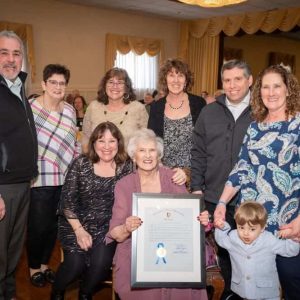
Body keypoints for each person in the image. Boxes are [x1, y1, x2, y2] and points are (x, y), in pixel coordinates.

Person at [214, 64, 300, 300]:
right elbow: (241, 169)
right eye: (265, 87)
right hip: (253, 224)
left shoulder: (298, 126)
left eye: (277, 86)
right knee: (253, 286)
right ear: (258, 91)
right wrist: (222, 203)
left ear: (288, 89)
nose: (271, 92)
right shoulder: (254, 127)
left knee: (292, 281)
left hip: (288, 225)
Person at [106, 128, 208, 300]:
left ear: (159, 155)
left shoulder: (173, 178)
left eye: (152, 150)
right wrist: (126, 227)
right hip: (137, 250)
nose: (147, 156)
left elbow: (189, 219)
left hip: (175, 246)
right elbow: (116, 233)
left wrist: (201, 219)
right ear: (133, 156)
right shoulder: (124, 185)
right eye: (142, 150)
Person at [191, 59, 253, 300]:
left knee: (250, 251)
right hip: (215, 196)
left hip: (251, 200)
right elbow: (198, 152)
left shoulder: (262, 112)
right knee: (225, 250)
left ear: (250, 81)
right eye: (227, 80)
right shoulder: (209, 112)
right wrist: (196, 187)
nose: (232, 85)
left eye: (238, 79)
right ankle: (228, 293)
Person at [51, 122, 133, 300]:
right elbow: (67, 202)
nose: (106, 146)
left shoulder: (126, 166)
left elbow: (148, 173)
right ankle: (57, 291)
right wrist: (79, 231)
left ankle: (85, 292)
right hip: (76, 223)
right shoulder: (81, 163)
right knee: (75, 264)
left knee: (101, 264)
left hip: (108, 225)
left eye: (112, 141)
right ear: (94, 143)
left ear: (118, 143)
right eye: (101, 140)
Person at [26, 64, 77, 288]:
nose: (58, 87)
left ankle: (46, 265)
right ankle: (34, 267)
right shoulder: (30, 108)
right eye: (53, 82)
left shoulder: (69, 110)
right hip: (39, 178)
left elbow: (72, 143)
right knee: (38, 226)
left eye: (62, 83)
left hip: (63, 177)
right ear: (44, 84)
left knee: (54, 226)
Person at [0, 30, 38, 300]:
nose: (11, 59)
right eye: (4, 52)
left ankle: (9, 294)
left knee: (13, 251)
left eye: (16, 53)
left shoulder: (18, 86)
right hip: (3, 188)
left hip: (23, 183)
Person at [215, 201, 299, 300]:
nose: (245, 233)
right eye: (241, 227)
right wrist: (222, 227)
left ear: (262, 228)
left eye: (252, 229)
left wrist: (293, 238)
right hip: (242, 291)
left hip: (267, 293)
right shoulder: (233, 237)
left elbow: (289, 251)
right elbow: (221, 240)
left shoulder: (269, 240)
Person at [148, 58, 206, 186]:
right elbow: (152, 142)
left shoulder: (199, 104)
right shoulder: (156, 107)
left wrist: (187, 172)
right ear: (165, 79)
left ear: (186, 80)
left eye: (180, 75)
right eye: (171, 75)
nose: (175, 80)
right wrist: (164, 170)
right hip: (164, 175)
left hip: (194, 174)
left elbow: (205, 142)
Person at [82, 67, 148, 150]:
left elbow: (146, 140)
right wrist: (89, 158)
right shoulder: (93, 107)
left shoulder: (138, 108)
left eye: (120, 83)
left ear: (126, 88)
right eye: (111, 82)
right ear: (104, 85)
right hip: (97, 161)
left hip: (129, 161)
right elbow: (86, 137)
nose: (115, 86)